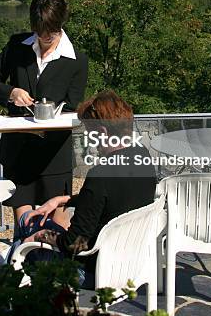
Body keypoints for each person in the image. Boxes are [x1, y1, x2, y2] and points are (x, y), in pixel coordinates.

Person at [11, 91, 157, 285]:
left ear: (102, 133)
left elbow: (74, 243)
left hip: (94, 270)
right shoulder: (142, 156)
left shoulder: (100, 174)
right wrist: (62, 200)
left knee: (27, 229)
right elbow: (115, 198)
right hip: (131, 261)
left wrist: (39, 236)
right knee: (34, 227)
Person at [0, 0, 88, 227]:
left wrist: (46, 125)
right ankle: (22, 261)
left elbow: (72, 107)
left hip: (55, 156)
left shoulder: (77, 61)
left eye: (49, 33)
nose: (43, 37)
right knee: (24, 227)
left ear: (61, 24)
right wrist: (11, 93)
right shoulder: (16, 46)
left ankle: (57, 264)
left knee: (56, 225)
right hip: (18, 152)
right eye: (38, 32)